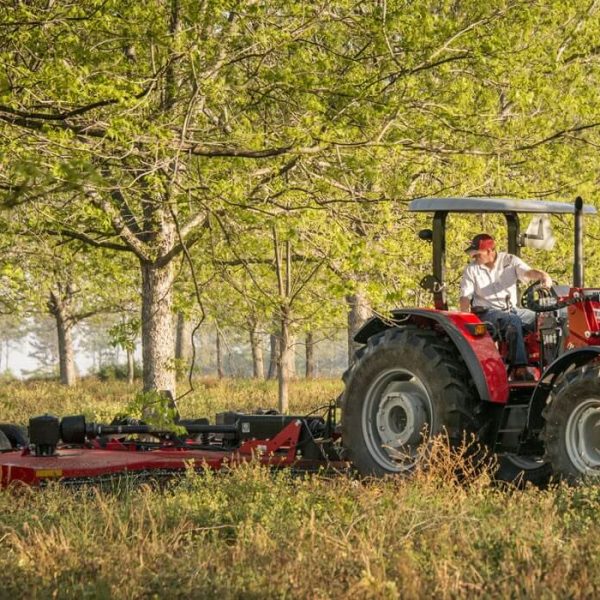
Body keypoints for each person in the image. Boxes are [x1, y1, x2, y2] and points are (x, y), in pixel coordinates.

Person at [459, 233, 552, 380]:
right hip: (486, 313)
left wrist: (542, 275)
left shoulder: (509, 261)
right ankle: (519, 368)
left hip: (511, 309)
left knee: (545, 319)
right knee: (512, 321)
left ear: (490, 251)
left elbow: (527, 272)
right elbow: (465, 296)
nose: (474, 257)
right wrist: (464, 316)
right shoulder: (472, 270)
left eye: (477, 254)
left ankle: (549, 363)